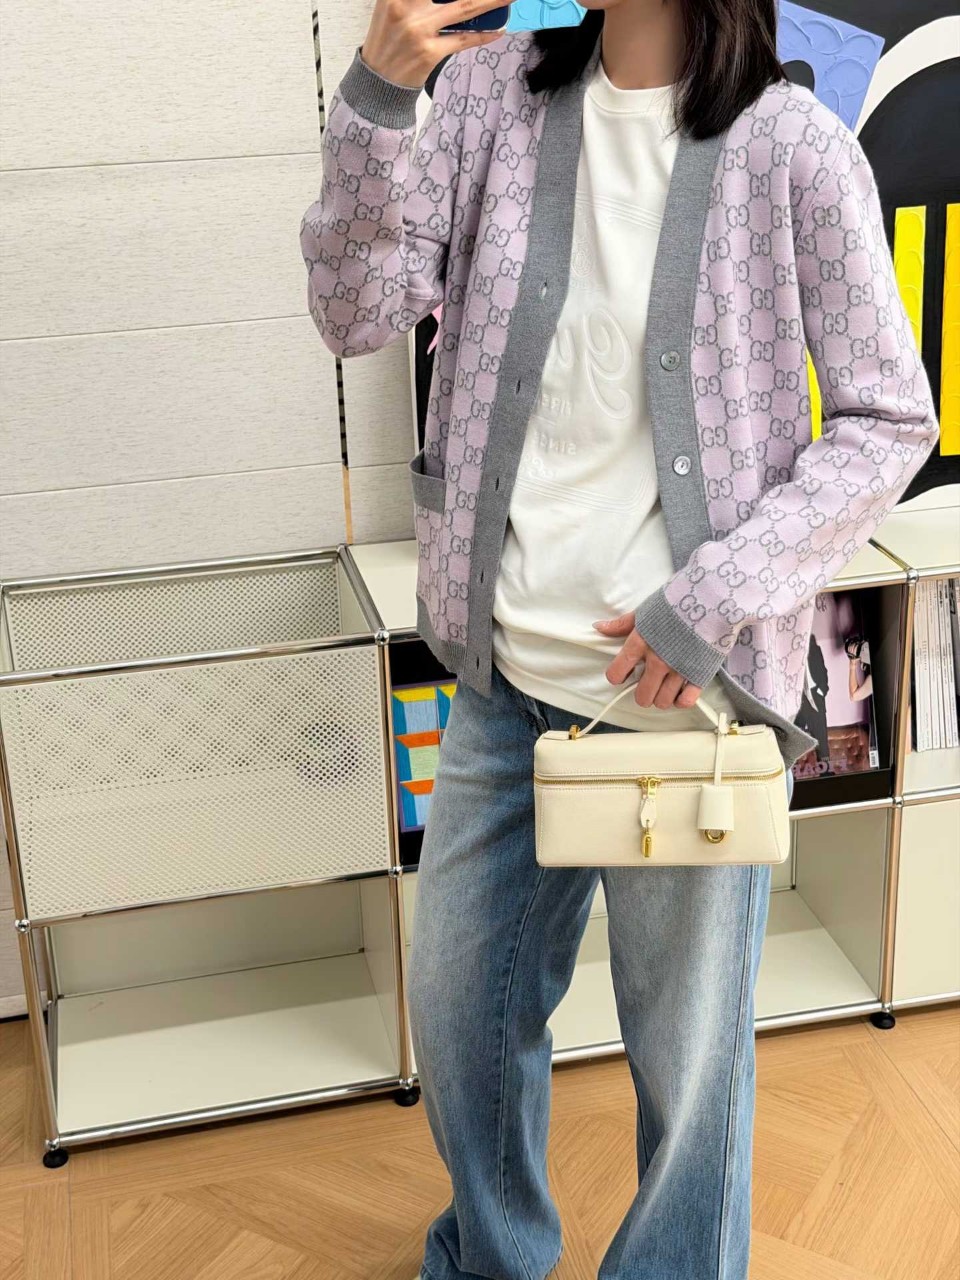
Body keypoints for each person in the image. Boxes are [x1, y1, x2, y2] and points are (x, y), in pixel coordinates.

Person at [299, 2, 940, 1276]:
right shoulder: (488, 101)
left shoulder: (794, 147)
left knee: (688, 1067)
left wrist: (711, 597)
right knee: (462, 1022)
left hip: (684, 713)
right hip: (501, 685)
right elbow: (355, 314)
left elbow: (888, 417)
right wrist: (376, 96)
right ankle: (493, 1256)